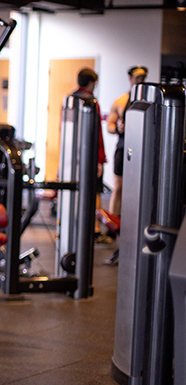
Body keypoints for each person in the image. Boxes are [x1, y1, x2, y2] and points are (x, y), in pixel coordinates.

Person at [104, 66, 147, 265]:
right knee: (119, 188)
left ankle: (135, 226)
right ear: (130, 78)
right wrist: (118, 128)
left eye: (143, 77)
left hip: (142, 149)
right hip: (123, 148)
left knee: (138, 189)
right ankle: (112, 229)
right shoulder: (121, 101)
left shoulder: (148, 99)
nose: (140, 80)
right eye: (137, 77)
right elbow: (110, 125)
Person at [69, 68, 109, 244]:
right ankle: (95, 229)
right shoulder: (91, 102)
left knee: (72, 190)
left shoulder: (69, 100)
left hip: (72, 154)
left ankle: (69, 226)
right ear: (91, 82)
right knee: (94, 191)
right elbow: (97, 133)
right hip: (89, 153)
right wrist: (100, 159)